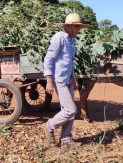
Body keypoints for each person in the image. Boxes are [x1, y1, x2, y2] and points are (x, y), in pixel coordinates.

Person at [42, 13, 91, 148]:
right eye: (76, 27)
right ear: (68, 26)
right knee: (71, 110)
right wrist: (49, 80)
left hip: (68, 79)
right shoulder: (59, 38)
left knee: (67, 109)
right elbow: (48, 59)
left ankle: (66, 140)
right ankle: (48, 126)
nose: (78, 29)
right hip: (59, 79)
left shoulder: (72, 39)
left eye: (79, 27)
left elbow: (69, 62)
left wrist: (74, 79)